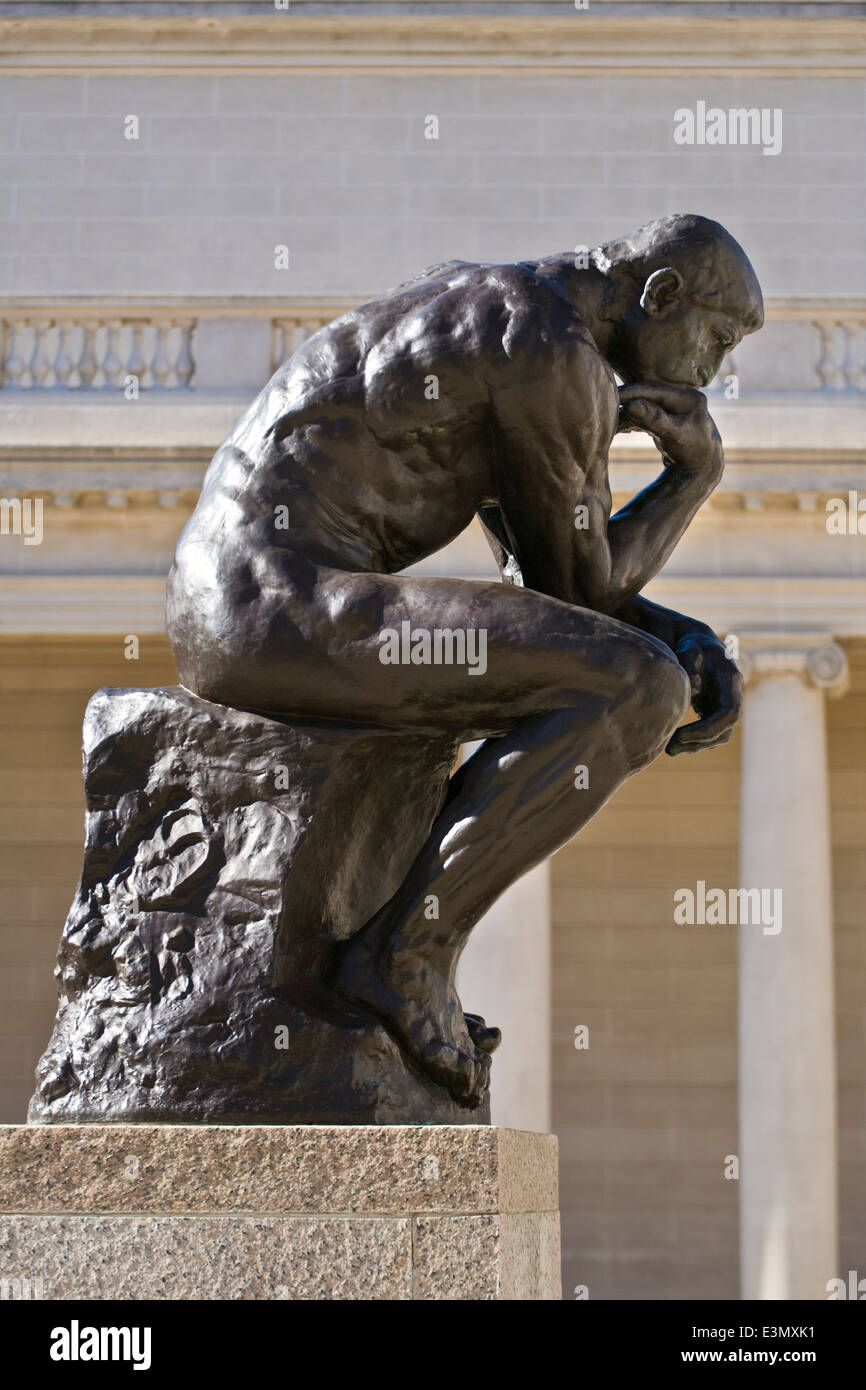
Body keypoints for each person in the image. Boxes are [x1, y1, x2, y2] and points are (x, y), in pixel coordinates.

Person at [166, 213, 764, 1106]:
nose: (711, 371)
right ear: (660, 294)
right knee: (638, 688)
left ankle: (395, 949)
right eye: (714, 337)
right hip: (276, 603)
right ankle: (407, 956)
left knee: (633, 666)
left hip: (242, 598)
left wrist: (684, 631)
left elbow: (546, 585)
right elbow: (583, 593)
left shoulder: (497, 305)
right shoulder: (550, 350)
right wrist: (690, 482)